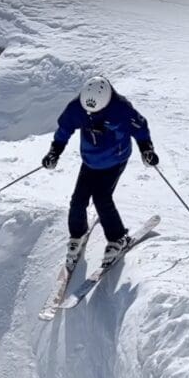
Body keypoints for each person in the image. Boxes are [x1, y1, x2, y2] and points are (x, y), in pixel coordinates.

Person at [41, 76, 158, 270]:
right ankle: (76, 235)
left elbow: (140, 128)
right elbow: (64, 129)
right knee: (78, 200)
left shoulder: (121, 108)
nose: (90, 114)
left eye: (95, 111)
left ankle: (117, 237)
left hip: (115, 159)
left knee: (101, 198)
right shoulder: (77, 107)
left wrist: (147, 149)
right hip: (90, 159)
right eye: (88, 110)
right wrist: (54, 152)